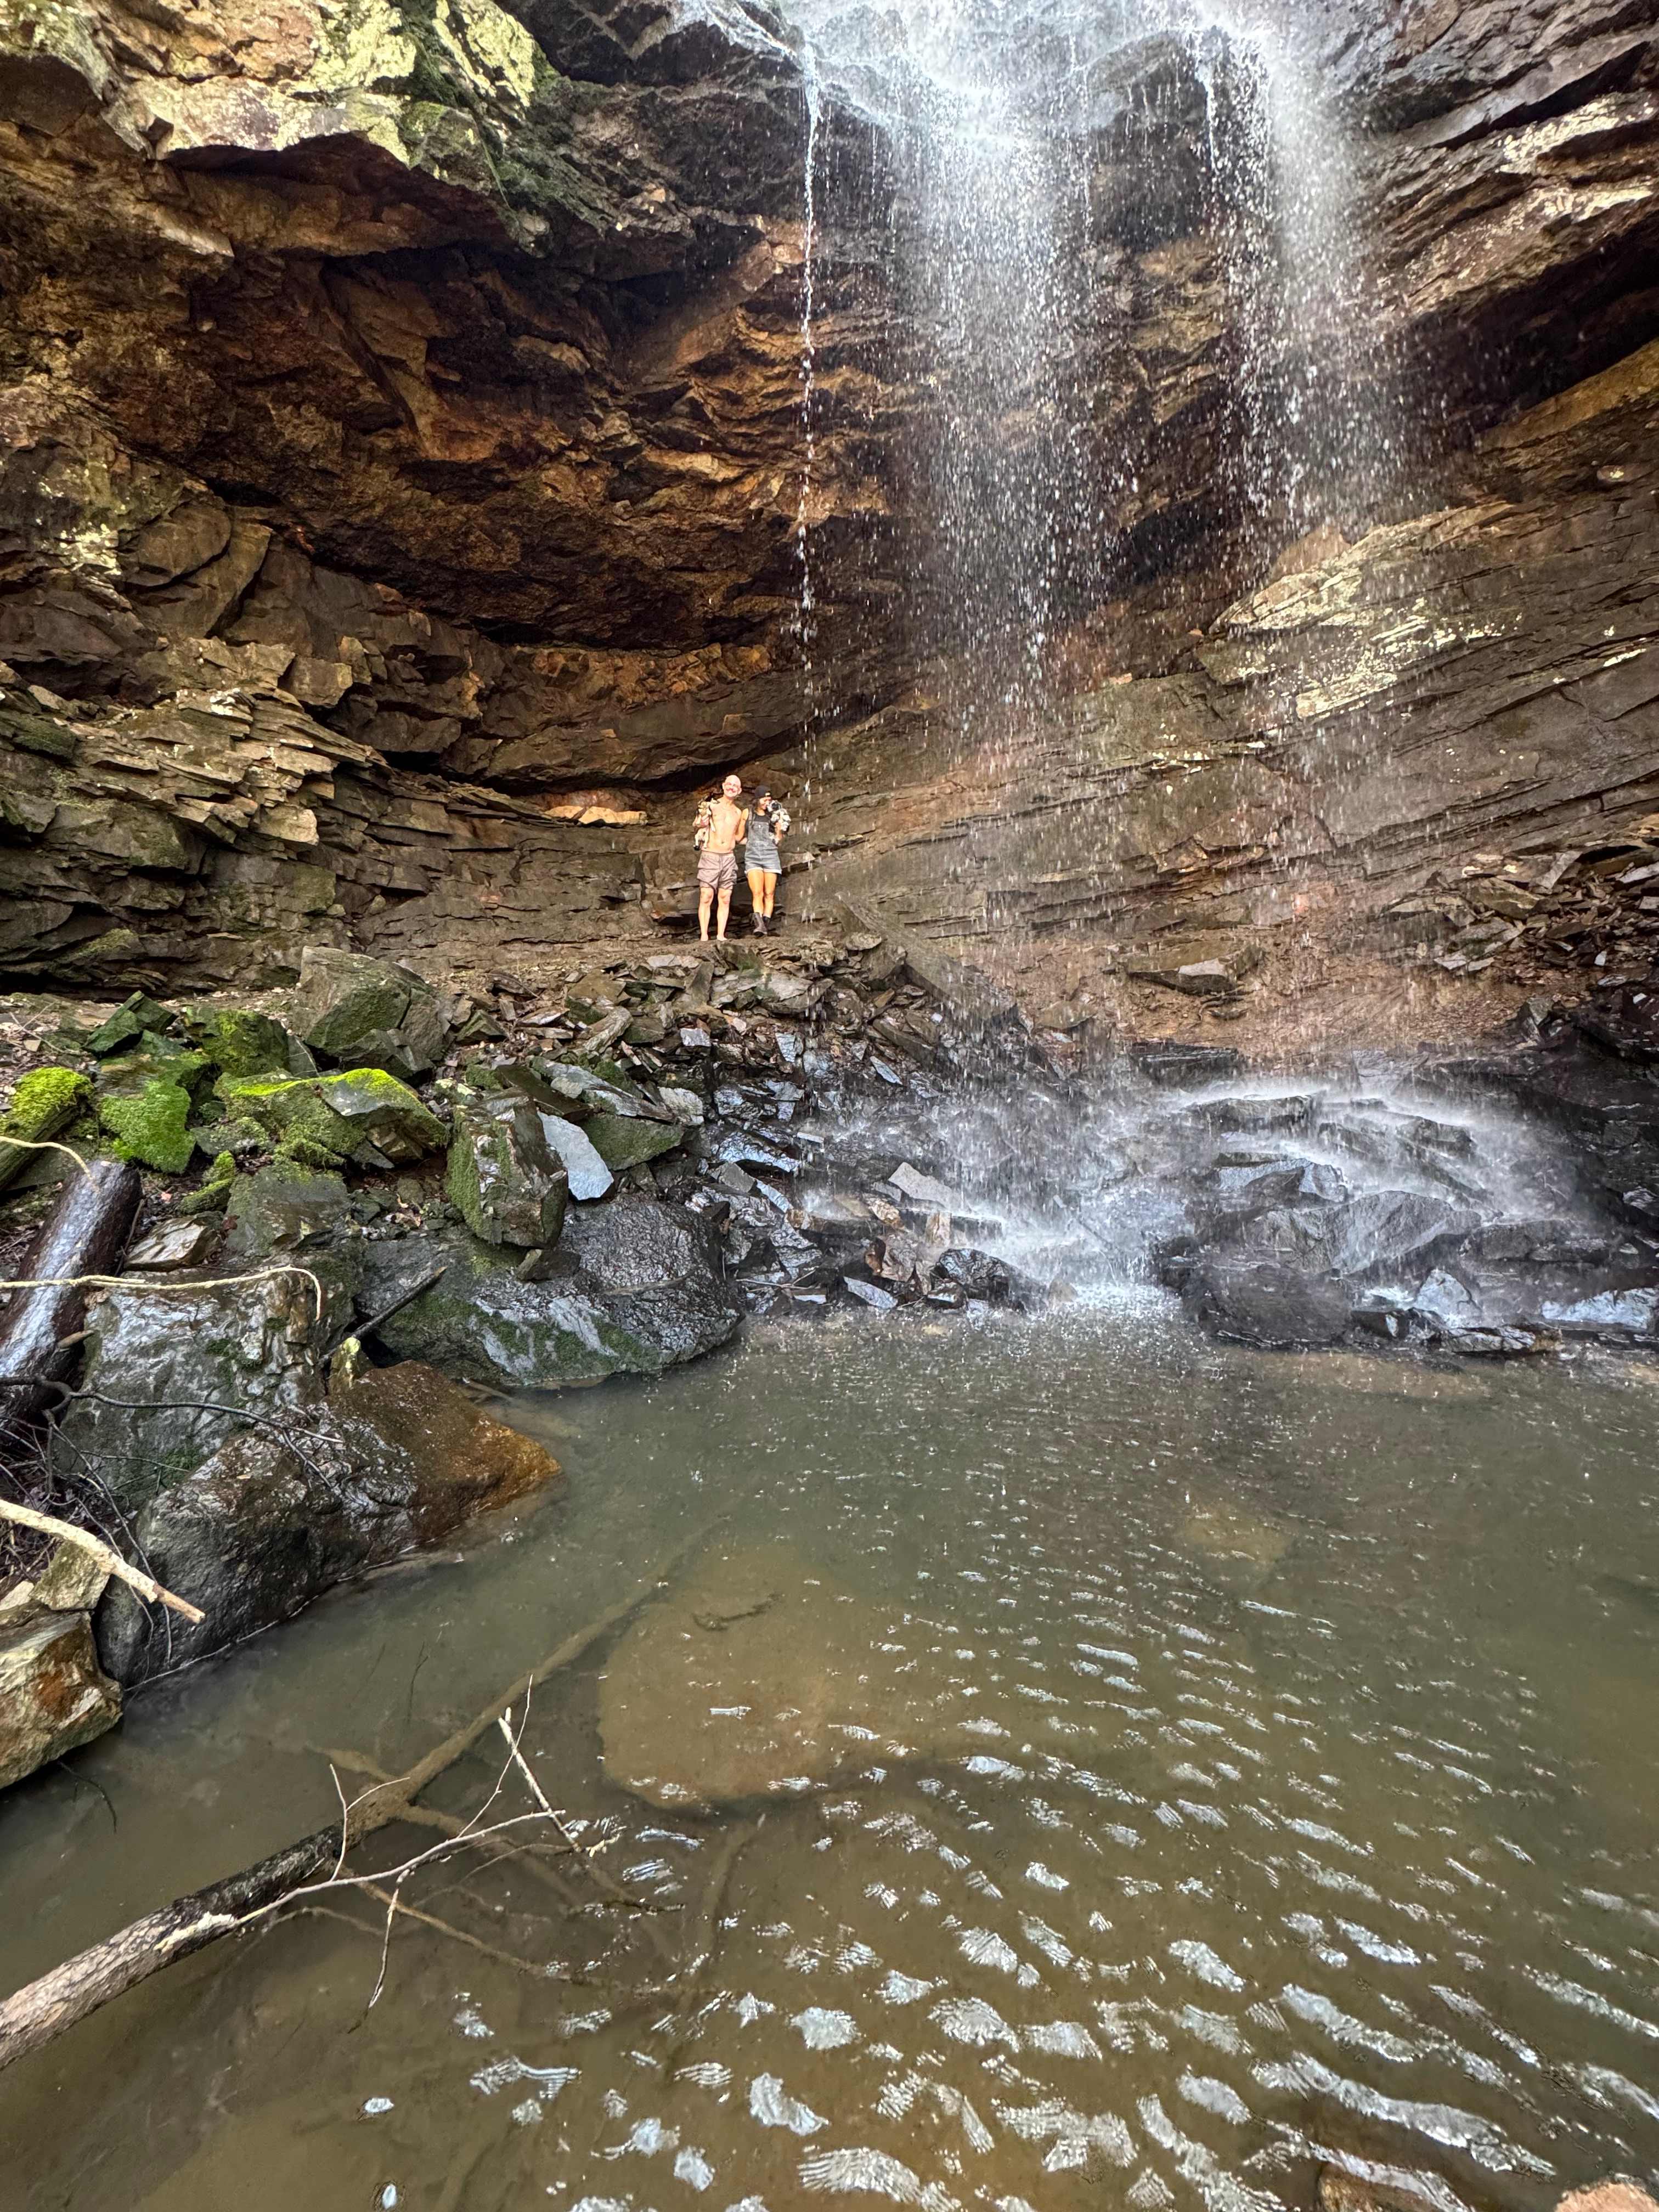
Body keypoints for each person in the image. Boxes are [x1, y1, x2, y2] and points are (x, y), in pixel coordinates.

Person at [693, 774, 748, 943]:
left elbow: (739, 838)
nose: (732, 787)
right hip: (710, 855)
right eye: (729, 784)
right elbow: (697, 824)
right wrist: (702, 819)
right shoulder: (712, 805)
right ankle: (704, 936)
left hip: (728, 858)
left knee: (725, 898)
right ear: (723, 786)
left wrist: (760, 839)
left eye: (736, 786)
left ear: (739, 791)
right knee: (706, 895)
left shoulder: (738, 813)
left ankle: (721, 935)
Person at [743, 787, 790, 935]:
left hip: (771, 855)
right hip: (753, 857)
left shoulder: (775, 815)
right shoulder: (748, 813)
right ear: (757, 799)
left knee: (769, 893)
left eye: (769, 800)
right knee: (758, 893)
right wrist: (748, 843)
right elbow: (739, 835)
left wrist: (780, 826)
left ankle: (763, 926)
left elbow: (778, 840)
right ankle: (759, 925)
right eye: (764, 799)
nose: (767, 802)